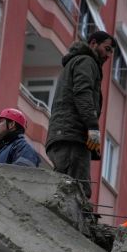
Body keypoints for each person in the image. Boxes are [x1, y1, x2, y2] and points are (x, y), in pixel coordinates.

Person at [45, 30, 116, 198]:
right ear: (93, 44)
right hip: (72, 136)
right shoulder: (86, 61)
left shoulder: (79, 62)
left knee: (68, 186)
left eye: (111, 52)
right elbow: (82, 94)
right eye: (106, 49)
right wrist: (92, 128)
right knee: (77, 190)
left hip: (67, 134)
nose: (108, 55)